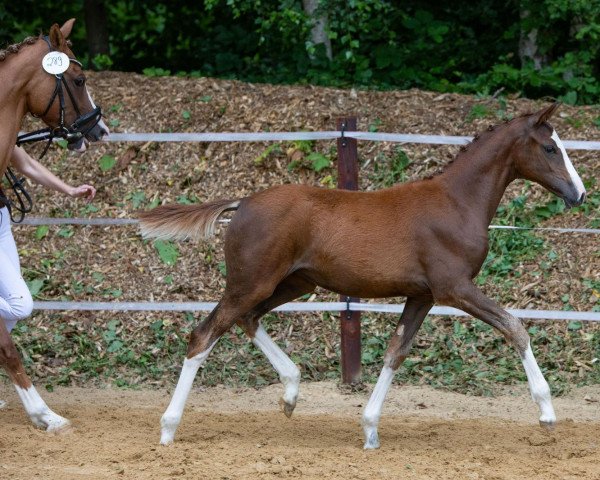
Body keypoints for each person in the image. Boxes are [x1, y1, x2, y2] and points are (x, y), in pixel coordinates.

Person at [0, 146, 95, 409]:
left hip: (1, 219)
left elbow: (26, 164)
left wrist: (69, 189)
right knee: (21, 304)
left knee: (11, 315)